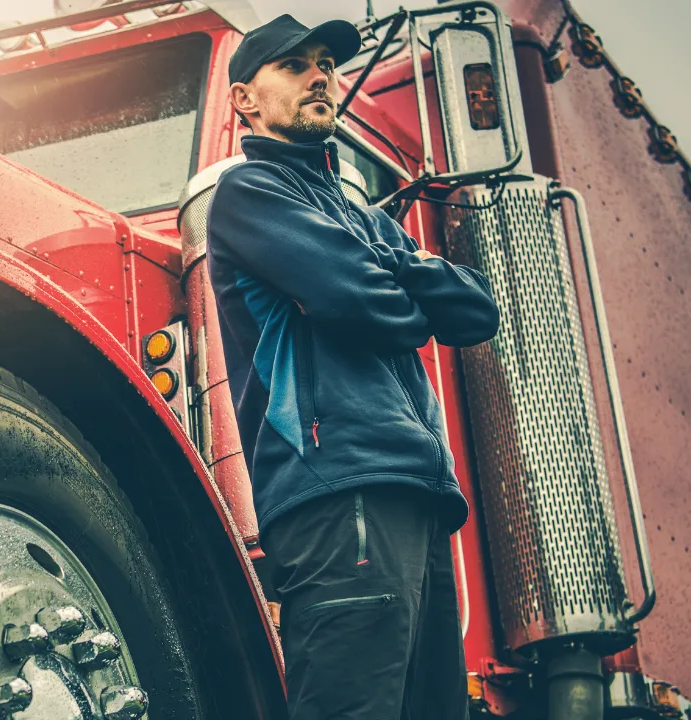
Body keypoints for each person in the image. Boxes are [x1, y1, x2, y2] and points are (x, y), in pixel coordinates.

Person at [206, 13, 501, 720]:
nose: (320, 75)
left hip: (413, 492)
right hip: (339, 490)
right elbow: (374, 308)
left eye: (325, 64)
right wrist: (404, 274)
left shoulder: (355, 211)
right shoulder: (250, 194)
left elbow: (475, 312)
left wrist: (390, 265)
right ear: (246, 99)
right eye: (294, 65)